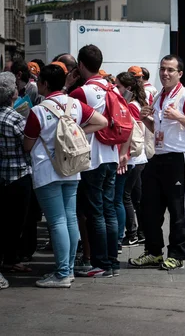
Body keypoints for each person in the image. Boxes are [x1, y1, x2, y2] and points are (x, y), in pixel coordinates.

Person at [23, 64, 107, 287]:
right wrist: (79, 131)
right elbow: (102, 122)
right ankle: (67, 270)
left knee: (57, 220)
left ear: (45, 84)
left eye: (40, 81)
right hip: (72, 167)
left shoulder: (38, 110)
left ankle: (61, 274)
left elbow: (28, 144)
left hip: (46, 170)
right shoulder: (75, 104)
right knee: (70, 218)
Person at [130, 55, 185, 270]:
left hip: (179, 158)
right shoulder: (159, 97)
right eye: (163, 69)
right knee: (150, 208)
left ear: (179, 73)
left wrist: (179, 116)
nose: (165, 73)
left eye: (171, 70)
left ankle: (176, 255)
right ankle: (153, 252)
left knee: (178, 209)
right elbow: (158, 130)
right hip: (158, 157)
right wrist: (145, 119)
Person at [66, 44, 130, 278]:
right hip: (111, 156)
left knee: (95, 213)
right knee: (109, 210)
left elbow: (64, 111)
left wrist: (66, 84)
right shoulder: (111, 88)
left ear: (81, 65)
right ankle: (111, 262)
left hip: (91, 158)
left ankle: (100, 263)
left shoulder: (83, 92)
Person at [0, 72, 33, 278]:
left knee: (4, 219)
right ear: (13, 94)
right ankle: (12, 258)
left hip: (2, 173)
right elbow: (28, 144)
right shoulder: (15, 118)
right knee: (17, 220)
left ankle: (7, 257)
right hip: (19, 174)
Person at [114, 72, 149, 247]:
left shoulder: (131, 105)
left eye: (117, 86)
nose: (114, 89)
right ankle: (140, 233)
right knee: (135, 198)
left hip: (134, 158)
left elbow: (137, 131)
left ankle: (133, 233)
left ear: (128, 88)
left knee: (125, 198)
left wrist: (125, 153)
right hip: (136, 158)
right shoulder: (134, 103)